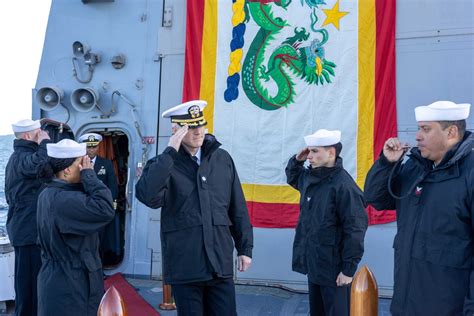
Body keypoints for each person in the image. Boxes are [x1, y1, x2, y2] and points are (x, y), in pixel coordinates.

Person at [135, 100, 253, 315]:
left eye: (201, 125)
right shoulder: (163, 164)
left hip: (220, 263)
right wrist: (170, 152)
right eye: (191, 127)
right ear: (176, 130)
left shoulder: (222, 159)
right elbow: (147, 196)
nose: (198, 131)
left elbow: (237, 206)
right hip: (186, 265)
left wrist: (245, 248)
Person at [364, 100, 474, 315]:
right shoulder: (416, 167)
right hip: (406, 302)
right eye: (418, 128)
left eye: (426, 129)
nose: (417, 136)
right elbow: (375, 198)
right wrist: (387, 164)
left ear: (451, 132)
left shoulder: (469, 174)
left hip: (449, 307)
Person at [286, 129, 368, 316]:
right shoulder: (311, 177)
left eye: (315, 152)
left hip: (334, 270)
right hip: (314, 264)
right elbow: (293, 177)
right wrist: (297, 159)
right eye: (310, 151)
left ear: (331, 152)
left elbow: (355, 230)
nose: (310, 157)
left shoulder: (344, 186)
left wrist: (348, 270)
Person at [36, 139, 115, 315]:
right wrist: (89, 176)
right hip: (71, 285)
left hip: (59, 279)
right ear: (67, 170)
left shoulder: (48, 193)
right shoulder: (65, 201)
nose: (86, 166)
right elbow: (105, 209)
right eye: (82, 163)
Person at [4, 118, 51, 316]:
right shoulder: (22, 157)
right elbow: (38, 165)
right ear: (27, 136)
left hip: (29, 229)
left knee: (32, 283)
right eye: (38, 132)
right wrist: (45, 143)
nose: (41, 134)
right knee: (28, 286)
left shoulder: (22, 156)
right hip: (27, 232)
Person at [78, 133, 120, 264]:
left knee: (101, 237)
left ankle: (99, 265)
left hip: (100, 206)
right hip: (84, 206)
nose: (91, 150)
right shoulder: (78, 164)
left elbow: (112, 185)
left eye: (94, 147)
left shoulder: (106, 164)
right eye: (89, 147)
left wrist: (112, 204)